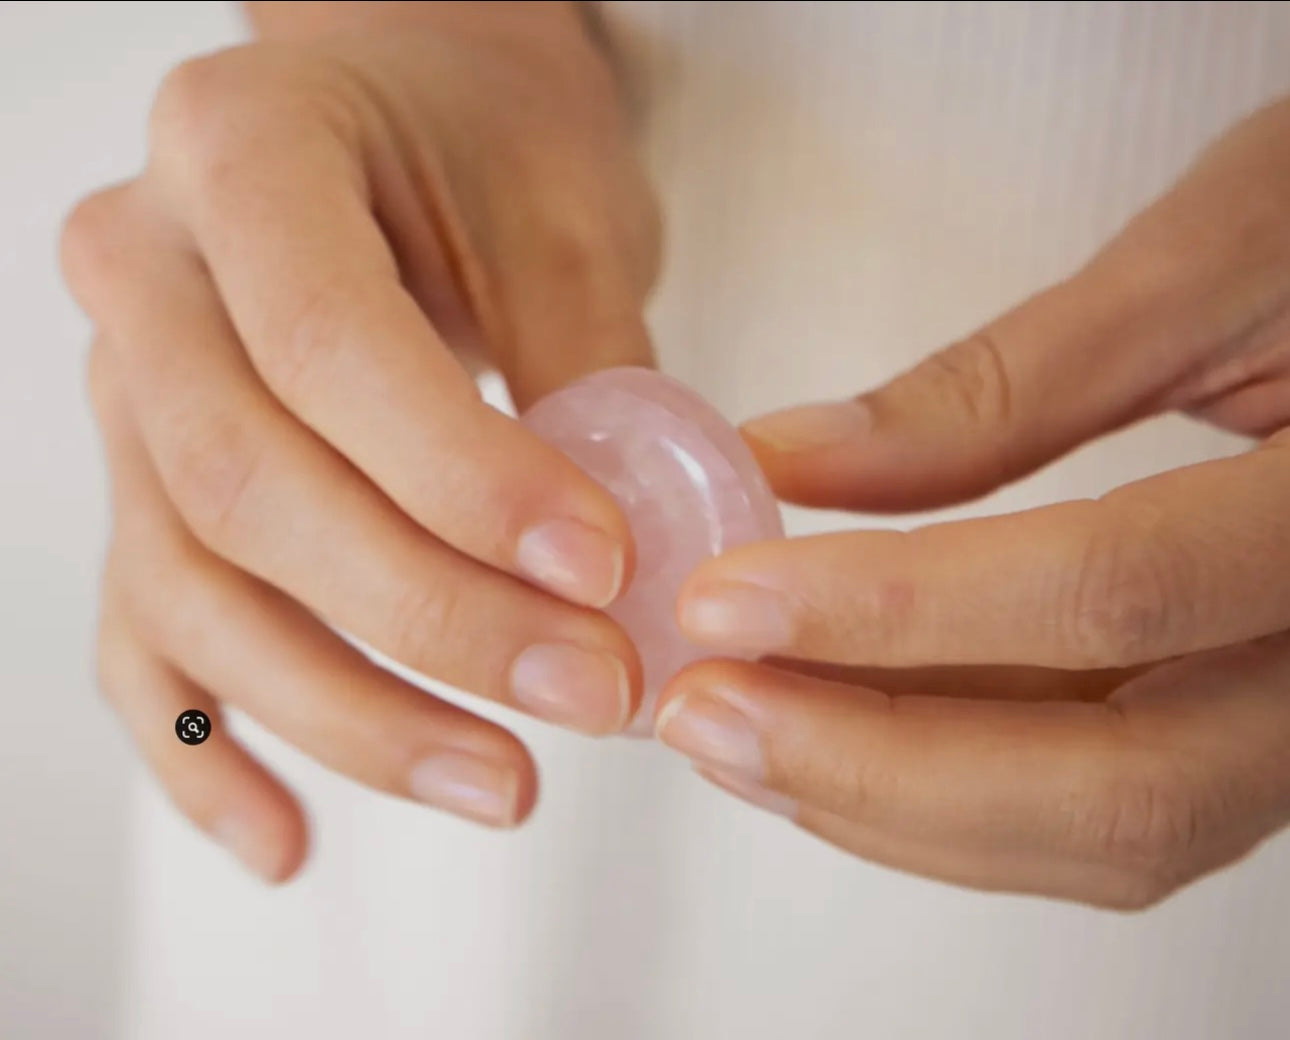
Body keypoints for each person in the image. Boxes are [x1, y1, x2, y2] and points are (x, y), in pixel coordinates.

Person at [60, 0, 1290, 911]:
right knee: (194, 733)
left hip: (1209, 626)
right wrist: (425, 26)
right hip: (367, 681)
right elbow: (186, 717)